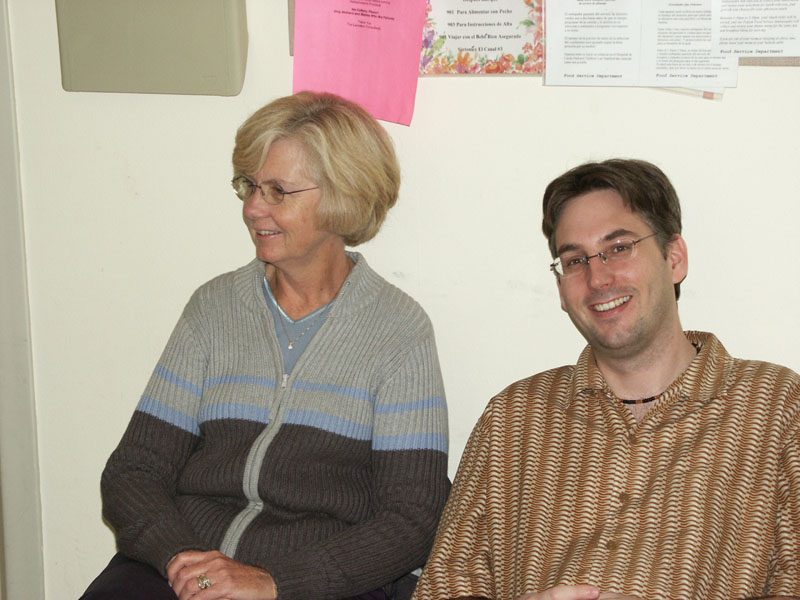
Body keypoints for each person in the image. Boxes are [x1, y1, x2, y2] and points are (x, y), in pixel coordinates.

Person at [82, 91, 450, 600]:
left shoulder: (397, 332)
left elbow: (414, 518)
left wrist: (277, 583)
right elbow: (133, 471)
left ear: (343, 195)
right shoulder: (214, 308)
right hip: (181, 565)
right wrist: (188, 564)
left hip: (320, 582)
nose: (253, 208)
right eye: (251, 186)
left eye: (279, 191)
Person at [412, 159, 800, 600]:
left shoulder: (776, 407)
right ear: (561, 290)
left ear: (674, 259)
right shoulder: (514, 418)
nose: (597, 278)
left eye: (619, 248)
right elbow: (444, 586)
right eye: (575, 260)